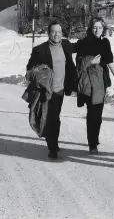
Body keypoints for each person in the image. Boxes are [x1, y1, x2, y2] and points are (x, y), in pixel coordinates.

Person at [26, 21, 77, 159]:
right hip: (46, 91)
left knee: (56, 118)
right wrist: (39, 73)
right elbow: (29, 71)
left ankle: (54, 141)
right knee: (50, 118)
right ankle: (52, 147)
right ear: (48, 33)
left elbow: (81, 47)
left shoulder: (66, 45)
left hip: (60, 90)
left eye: (59, 32)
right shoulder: (39, 50)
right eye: (54, 31)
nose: (57, 34)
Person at [73, 17, 114, 154]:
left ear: (103, 29)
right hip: (88, 82)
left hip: (101, 82)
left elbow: (109, 61)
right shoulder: (84, 43)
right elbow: (79, 64)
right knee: (92, 113)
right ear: (90, 28)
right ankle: (92, 143)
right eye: (95, 27)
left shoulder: (105, 43)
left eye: (100, 27)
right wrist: (91, 62)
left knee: (98, 114)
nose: (97, 30)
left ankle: (94, 138)